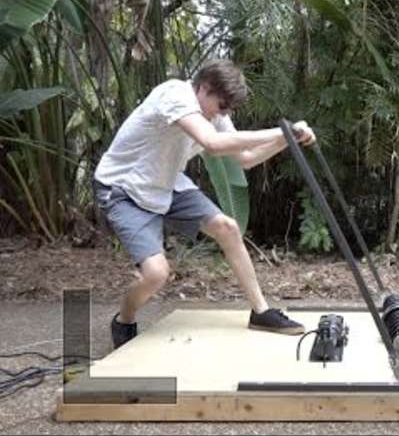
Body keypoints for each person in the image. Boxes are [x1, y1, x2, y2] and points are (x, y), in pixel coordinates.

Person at [93, 59, 315, 349]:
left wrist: (288, 141)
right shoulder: (175, 94)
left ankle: (261, 312)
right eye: (221, 106)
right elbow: (212, 144)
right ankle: (124, 319)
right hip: (124, 187)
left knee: (227, 227)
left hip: (166, 182)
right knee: (156, 274)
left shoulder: (214, 114)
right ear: (204, 88)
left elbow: (246, 159)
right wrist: (283, 131)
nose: (222, 114)